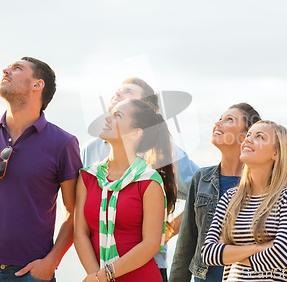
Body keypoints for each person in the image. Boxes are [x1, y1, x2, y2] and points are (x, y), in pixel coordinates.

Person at [0, 57, 82, 281]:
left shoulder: (64, 143)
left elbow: (75, 211)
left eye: (17, 68)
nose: (6, 70)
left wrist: (52, 261)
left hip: (31, 273)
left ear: (37, 85)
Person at [80, 77, 198, 281]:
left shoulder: (153, 176)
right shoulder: (88, 172)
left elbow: (200, 188)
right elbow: (79, 230)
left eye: (128, 92)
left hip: (141, 271)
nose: (118, 95)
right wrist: (96, 276)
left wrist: (168, 229)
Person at [201, 120, 287, 281]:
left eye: (260, 137)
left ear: (276, 153)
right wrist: (262, 247)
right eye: (248, 135)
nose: (247, 140)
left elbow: (282, 254)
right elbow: (208, 253)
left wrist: (230, 253)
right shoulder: (230, 197)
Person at [169, 103, 261, 282]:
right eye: (220, 118)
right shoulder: (201, 178)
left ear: (245, 136)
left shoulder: (262, 183)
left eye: (229, 120)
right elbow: (186, 244)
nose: (217, 123)